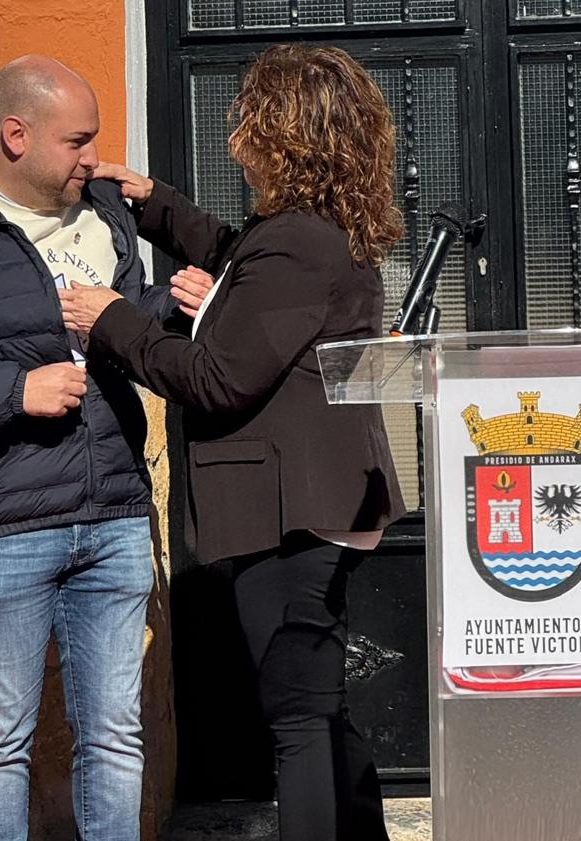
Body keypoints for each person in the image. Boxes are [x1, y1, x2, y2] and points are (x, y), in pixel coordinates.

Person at [59, 43, 407, 841]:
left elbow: (217, 378)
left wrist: (107, 318)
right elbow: (243, 267)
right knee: (319, 707)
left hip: (289, 509)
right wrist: (157, 204)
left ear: (284, 133)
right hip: (319, 497)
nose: (233, 137)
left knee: (297, 722)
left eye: (247, 120)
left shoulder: (295, 240)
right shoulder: (313, 231)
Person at [0, 56, 210, 841]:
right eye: (78, 141)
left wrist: (167, 307)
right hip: (2, 521)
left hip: (116, 511)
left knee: (116, 738)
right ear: (15, 135)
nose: (94, 159)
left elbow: (112, 334)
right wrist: (11, 392)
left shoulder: (103, 215)